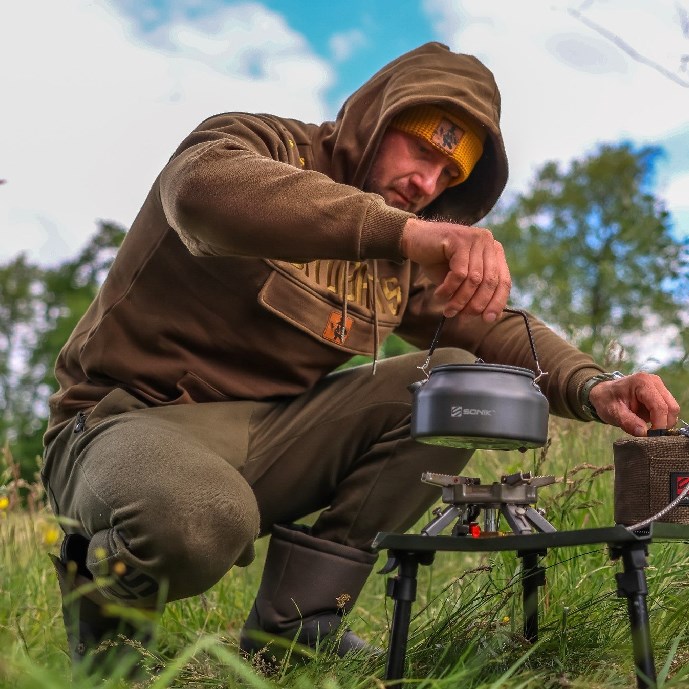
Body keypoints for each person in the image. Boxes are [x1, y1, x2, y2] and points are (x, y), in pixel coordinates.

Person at [42, 41, 680, 669]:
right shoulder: (255, 144)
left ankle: (300, 624)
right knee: (199, 519)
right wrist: (402, 231)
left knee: (456, 381)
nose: (426, 182)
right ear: (377, 116)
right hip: (121, 424)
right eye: (422, 151)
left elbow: (495, 328)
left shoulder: (399, 260)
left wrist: (594, 385)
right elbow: (198, 195)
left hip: (270, 438)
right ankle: (108, 620)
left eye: (449, 175)